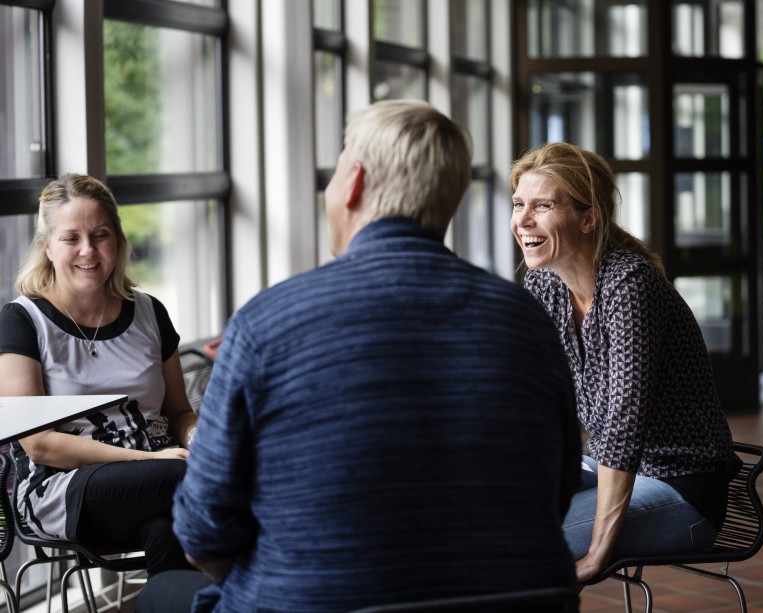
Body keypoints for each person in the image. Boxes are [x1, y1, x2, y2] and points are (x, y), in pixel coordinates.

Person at [150, 100, 582, 613]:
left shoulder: (269, 324)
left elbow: (203, 534)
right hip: (521, 601)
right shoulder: (526, 321)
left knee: (162, 595)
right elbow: (556, 495)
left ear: (353, 182)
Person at [508, 142, 741, 585]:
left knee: (522, 546)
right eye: (519, 204)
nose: (522, 221)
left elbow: (621, 429)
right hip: (608, 469)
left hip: (682, 486)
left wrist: (598, 553)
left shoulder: (629, 285)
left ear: (588, 217)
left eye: (542, 206)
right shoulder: (546, 282)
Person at [0, 173, 198, 577]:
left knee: (166, 534)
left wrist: (198, 439)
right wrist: (149, 460)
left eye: (101, 235)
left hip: (160, 478)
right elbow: (41, 446)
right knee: (197, 480)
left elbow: (179, 412)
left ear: (119, 242)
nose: (87, 250)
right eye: (71, 238)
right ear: (48, 247)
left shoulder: (150, 312)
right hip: (65, 488)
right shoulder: (22, 321)